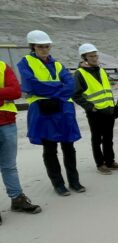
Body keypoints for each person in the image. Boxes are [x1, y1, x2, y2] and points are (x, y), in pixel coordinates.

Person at [17, 30, 85, 196]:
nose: (45, 49)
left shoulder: (58, 65)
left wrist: (51, 90)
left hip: (62, 110)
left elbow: (70, 85)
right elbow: (32, 85)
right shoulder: (25, 63)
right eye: (41, 47)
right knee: (50, 148)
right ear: (33, 47)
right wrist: (58, 88)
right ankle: (58, 184)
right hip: (44, 111)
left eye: (47, 46)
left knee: (69, 147)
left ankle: (74, 181)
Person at [73, 43, 118, 175]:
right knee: (97, 139)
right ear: (84, 57)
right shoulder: (79, 73)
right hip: (95, 113)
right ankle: (100, 164)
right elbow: (75, 94)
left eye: (95, 55)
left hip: (108, 110)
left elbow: (106, 91)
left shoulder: (101, 70)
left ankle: (110, 161)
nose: (94, 58)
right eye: (91, 56)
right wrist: (90, 107)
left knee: (108, 138)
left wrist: (113, 106)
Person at [0, 60, 42, 225]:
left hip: (7, 122)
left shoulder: (2, 66)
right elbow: (8, 91)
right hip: (7, 122)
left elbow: (15, 91)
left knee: (9, 166)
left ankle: (17, 199)